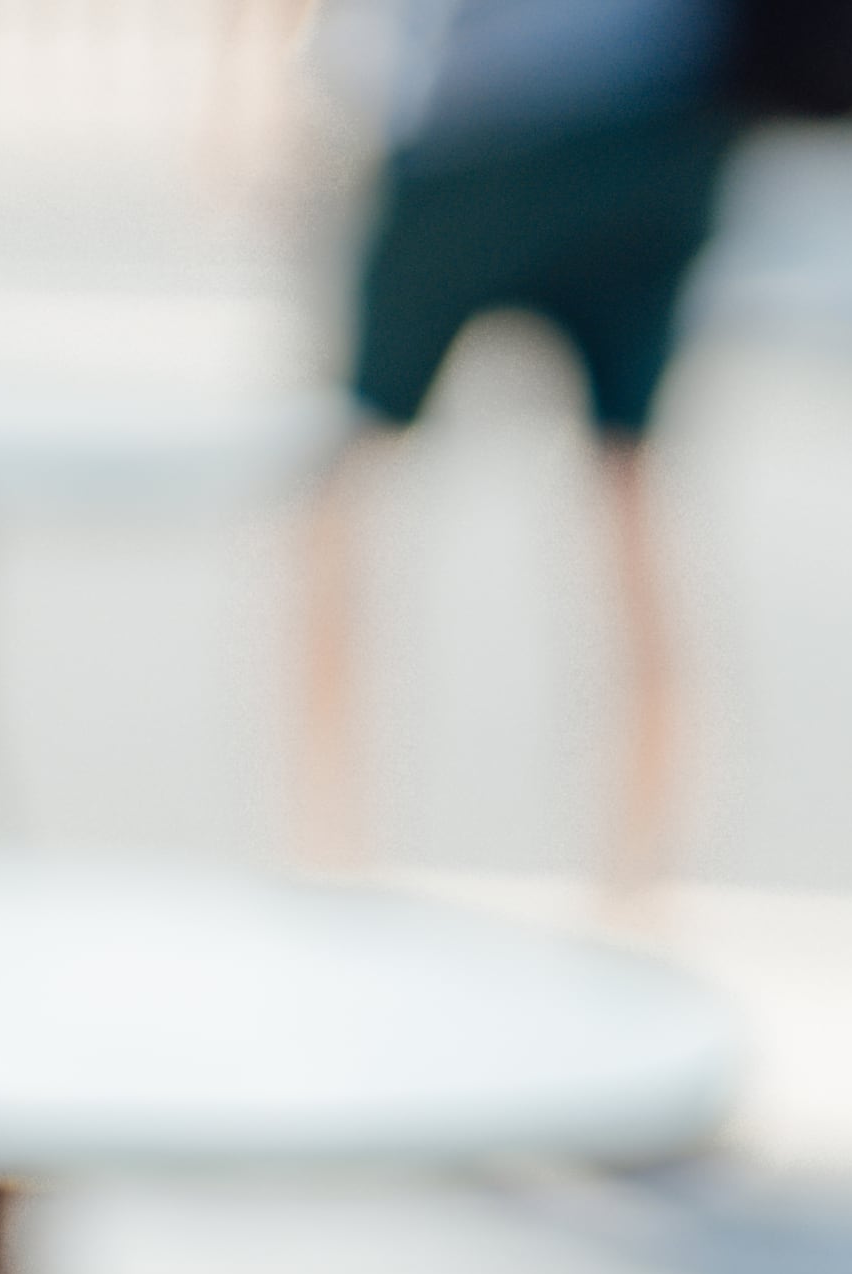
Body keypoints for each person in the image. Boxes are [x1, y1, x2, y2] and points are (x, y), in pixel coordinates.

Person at [296, 0, 742, 909]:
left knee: (346, 482)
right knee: (631, 490)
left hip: (478, 127)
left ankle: (331, 857)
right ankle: (640, 879)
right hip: (666, 119)